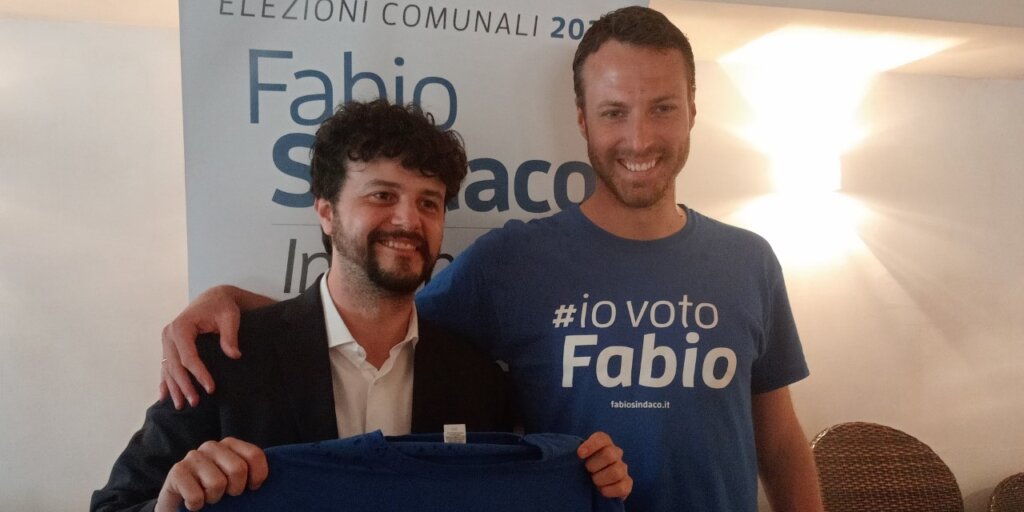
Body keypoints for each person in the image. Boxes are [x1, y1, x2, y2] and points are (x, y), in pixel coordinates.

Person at [158, 7, 823, 512]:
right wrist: (237, 306)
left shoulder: (751, 261)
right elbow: (376, 319)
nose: (640, 137)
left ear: (693, 111)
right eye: (615, 112)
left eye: (663, 108)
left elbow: (780, 441)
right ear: (583, 120)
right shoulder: (513, 260)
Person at [93, 100, 631, 512]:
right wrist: (170, 502)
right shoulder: (223, 361)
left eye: (428, 202)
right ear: (326, 212)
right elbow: (114, 505)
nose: (408, 220)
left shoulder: (478, 381)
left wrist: (588, 473)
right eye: (382, 195)